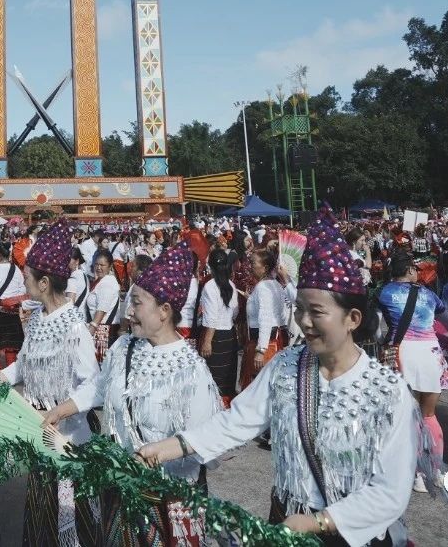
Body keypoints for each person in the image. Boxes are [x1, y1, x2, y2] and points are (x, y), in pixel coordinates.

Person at [139, 204, 431, 545]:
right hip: (289, 522)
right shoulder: (286, 366)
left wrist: (318, 522)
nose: (304, 321)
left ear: (353, 318)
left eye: (316, 312)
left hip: (353, 535)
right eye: (300, 309)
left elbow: (391, 491)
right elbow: (237, 421)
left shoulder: (387, 391)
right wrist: (168, 448)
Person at [44, 245, 221, 547]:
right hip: (121, 490)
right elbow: (99, 387)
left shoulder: (192, 372)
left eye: (136, 303)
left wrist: (160, 456)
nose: (128, 311)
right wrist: (62, 409)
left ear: (165, 311)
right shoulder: (124, 347)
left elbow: (206, 446)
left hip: (168, 503)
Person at [0, 220, 99, 545]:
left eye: (27, 276)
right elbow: (24, 365)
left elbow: (93, 385)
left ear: (44, 283)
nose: (23, 281)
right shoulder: (37, 319)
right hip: (41, 434)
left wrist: (62, 410)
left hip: (69, 438)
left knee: (71, 517)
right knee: (41, 515)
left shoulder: (74, 327)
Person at [377, 250, 448, 493]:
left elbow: (375, 323)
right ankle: (435, 471)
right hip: (430, 353)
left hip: (403, 354)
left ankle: (416, 474)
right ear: (409, 270)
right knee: (429, 416)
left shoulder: (384, 292)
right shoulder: (428, 294)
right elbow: (442, 315)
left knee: (409, 417)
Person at [241, 247, 289, 390]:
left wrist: (261, 350)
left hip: (266, 343)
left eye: (253, 263)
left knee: (260, 387)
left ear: (265, 267)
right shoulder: (274, 284)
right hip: (275, 339)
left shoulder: (263, 288)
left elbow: (266, 318)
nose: (251, 266)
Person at [198, 247, 240, 406]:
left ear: (210, 266)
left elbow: (211, 317)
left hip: (215, 336)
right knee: (227, 376)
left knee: (214, 376)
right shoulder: (231, 284)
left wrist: (207, 341)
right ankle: (227, 407)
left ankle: (214, 409)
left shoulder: (210, 286)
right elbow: (235, 312)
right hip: (229, 335)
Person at [0, 241, 26, 370]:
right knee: (11, 348)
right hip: (13, 313)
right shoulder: (16, 269)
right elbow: (22, 291)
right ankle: (10, 374)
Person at [86, 249, 122, 365]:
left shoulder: (107, 283)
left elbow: (102, 309)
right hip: (102, 330)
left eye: (102, 265)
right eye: (96, 264)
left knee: (99, 368)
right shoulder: (102, 281)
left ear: (110, 266)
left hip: (102, 332)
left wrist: (90, 331)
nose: (99, 268)